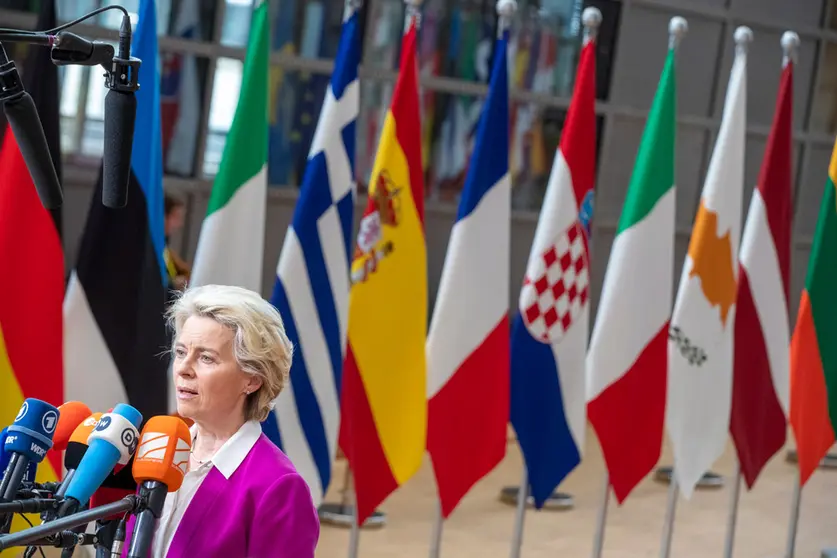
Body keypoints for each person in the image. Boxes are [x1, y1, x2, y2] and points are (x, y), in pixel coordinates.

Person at [128, 284, 319, 557]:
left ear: (252, 379)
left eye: (206, 358)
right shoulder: (159, 450)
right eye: (181, 352)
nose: (183, 368)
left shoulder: (278, 487)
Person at [163, 194, 191, 292]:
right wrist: (173, 284)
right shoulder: (150, 248)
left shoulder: (166, 250)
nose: (180, 224)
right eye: (176, 217)